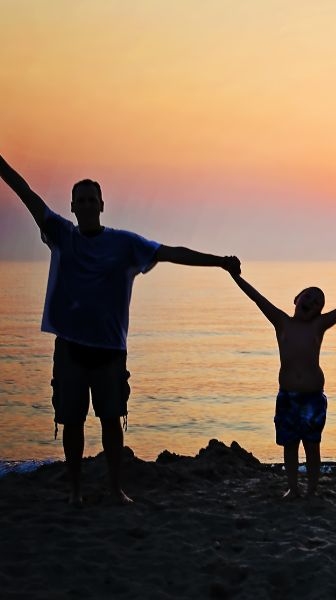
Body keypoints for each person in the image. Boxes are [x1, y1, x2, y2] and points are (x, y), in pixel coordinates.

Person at [0, 153, 241, 505]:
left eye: (91, 199)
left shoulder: (126, 244)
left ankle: (115, 489)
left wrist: (219, 262)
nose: (86, 205)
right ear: (72, 207)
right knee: (72, 422)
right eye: (80, 200)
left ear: (101, 205)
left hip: (110, 349)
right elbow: (26, 193)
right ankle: (75, 492)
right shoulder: (61, 235)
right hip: (70, 348)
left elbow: (172, 252)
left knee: (111, 420)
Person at [230, 272, 336, 498]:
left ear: (319, 312)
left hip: (313, 398)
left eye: (317, 303)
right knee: (290, 445)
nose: (311, 302)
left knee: (312, 446)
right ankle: (293, 488)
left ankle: (312, 489)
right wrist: (234, 274)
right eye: (308, 296)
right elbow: (256, 297)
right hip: (288, 397)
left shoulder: (318, 325)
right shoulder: (281, 321)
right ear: (296, 298)